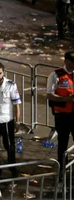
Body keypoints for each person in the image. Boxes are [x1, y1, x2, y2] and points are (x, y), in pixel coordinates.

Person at [46, 51, 74, 180]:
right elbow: (49, 94)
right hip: (62, 115)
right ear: (66, 61)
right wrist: (65, 99)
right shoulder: (56, 75)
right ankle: (62, 171)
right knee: (63, 144)